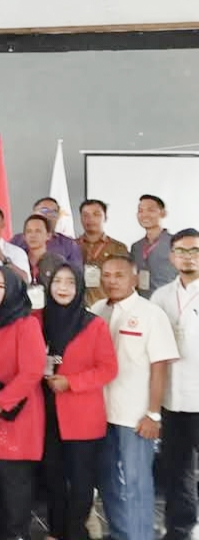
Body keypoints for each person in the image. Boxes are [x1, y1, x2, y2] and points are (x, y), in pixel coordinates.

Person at [91, 255, 177, 540]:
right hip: (100, 414)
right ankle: (120, 533)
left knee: (137, 482)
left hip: (135, 416)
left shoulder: (151, 314)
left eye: (119, 275)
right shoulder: (97, 310)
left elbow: (160, 367)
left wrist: (153, 413)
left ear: (135, 278)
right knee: (106, 479)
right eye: (106, 275)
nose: (111, 281)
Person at [39, 263, 118, 540]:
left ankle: (74, 533)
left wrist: (71, 382)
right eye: (57, 281)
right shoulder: (38, 320)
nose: (63, 287)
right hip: (46, 412)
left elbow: (108, 369)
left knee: (82, 481)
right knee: (53, 477)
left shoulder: (93, 325)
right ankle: (55, 531)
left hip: (82, 415)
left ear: (80, 287)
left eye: (70, 282)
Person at [0, 266, 45, 540]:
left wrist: (2, 401)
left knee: (15, 488)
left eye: (0, 286)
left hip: (16, 415)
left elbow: (32, 372)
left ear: (13, 289)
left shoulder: (26, 323)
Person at [150, 229, 199, 540]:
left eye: (194, 251)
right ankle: (180, 530)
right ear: (171, 256)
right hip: (172, 399)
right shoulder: (161, 296)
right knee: (177, 470)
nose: (188, 257)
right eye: (181, 251)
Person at [77, 199, 130, 306]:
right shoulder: (72, 246)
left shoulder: (118, 248)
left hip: (107, 305)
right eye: (85, 215)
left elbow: (125, 282)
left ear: (105, 218)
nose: (90, 219)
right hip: (78, 307)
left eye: (96, 214)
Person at [10, 197, 83, 268]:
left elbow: (76, 272)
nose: (49, 215)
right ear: (33, 213)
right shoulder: (17, 241)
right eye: (44, 210)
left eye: (54, 212)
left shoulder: (69, 244)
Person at [131, 194, 174, 298]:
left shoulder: (175, 243)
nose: (144, 215)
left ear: (163, 213)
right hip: (142, 301)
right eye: (140, 211)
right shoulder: (136, 247)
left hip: (169, 301)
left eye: (150, 210)